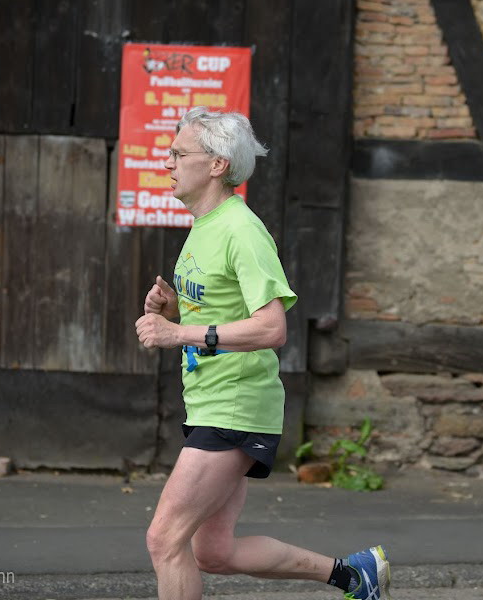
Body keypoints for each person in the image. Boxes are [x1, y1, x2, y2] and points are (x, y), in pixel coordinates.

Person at [135, 106, 391, 600]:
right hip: (214, 402)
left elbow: (272, 328)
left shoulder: (241, 230)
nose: (167, 162)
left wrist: (178, 333)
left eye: (178, 154)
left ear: (217, 165)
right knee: (214, 552)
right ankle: (354, 576)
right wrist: (175, 310)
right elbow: (222, 313)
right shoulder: (205, 225)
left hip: (234, 406)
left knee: (164, 540)